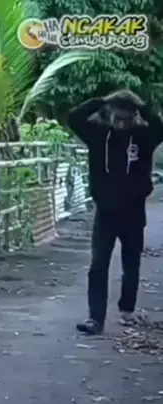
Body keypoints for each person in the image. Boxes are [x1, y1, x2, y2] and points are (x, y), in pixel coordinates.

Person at [67, 89, 163, 335]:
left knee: (131, 264)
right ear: (110, 115)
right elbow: (74, 118)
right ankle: (95, 318)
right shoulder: (98, 135)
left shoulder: (144, 137)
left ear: (135, 117)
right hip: (106, 213)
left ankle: (127, 309)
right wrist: (101, 100)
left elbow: (159, 126)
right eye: (117, 118)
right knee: (98, 263)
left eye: (127, 119)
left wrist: (140, 104)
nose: (121, 124)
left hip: (133, 212)